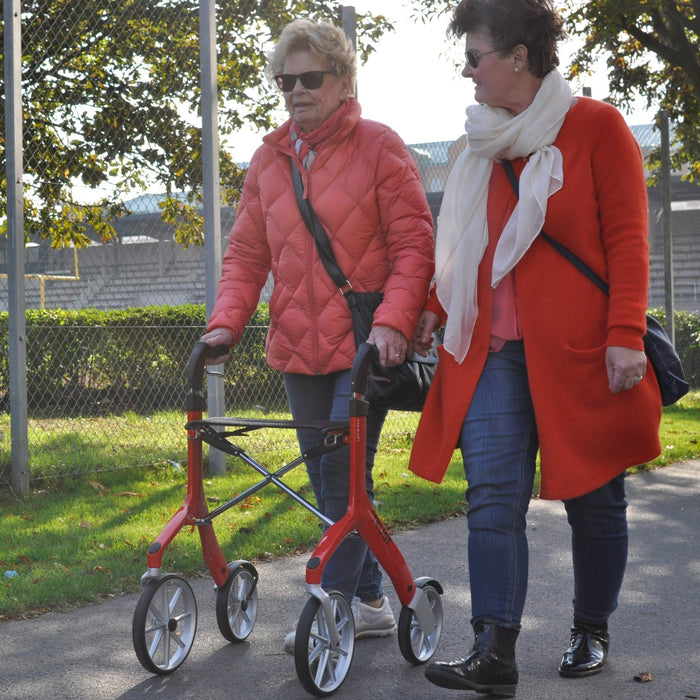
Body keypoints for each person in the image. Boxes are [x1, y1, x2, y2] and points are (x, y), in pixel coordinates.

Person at [408, 0, 662, 696]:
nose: (467, 70)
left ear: (518, 56)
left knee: (595, 498)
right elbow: (466, 246)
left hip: (581, 350)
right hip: (491, 350)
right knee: (492, 495)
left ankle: (591, 625)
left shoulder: (597, 128)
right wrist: (434, 307)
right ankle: (495, 649)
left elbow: (627, 244)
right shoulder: (478, 142)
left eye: (476, 55)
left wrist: (624, 336)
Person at [200, 18, 435, 653]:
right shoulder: (269, 159)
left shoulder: (380, 146)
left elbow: (416, 245)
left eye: (310, 78)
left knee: (340, 479)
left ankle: (330, 607)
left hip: (364, 346)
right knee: (328, 475)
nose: (296, 91)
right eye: (286, 80)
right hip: (298, 349)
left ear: (342, 80)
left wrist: (393, 322)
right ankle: (369, 601)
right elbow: (247, 257)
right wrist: (226, 322)